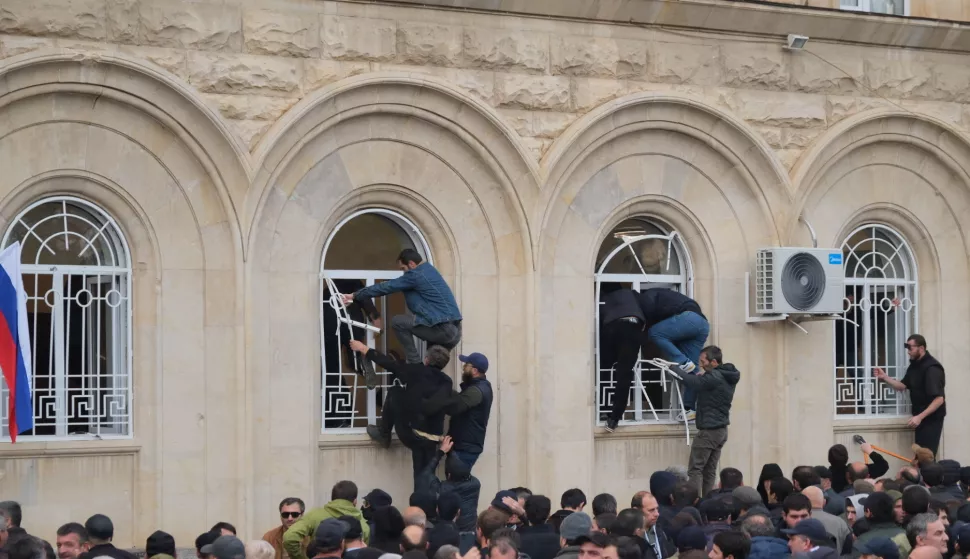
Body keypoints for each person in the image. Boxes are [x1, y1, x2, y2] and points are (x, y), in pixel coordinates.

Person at [351, 340, 454, 486]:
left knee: (395, 391)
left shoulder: (415, 371)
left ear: (426, 360)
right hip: (433, 438)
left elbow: (389, 364)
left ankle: (384, 433)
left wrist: (364, 348)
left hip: (413, 434)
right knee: (424, 476)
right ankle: (424, 505)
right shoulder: (447, 382)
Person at [347, 249, 462, 366]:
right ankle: (426, 375)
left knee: (398, 322)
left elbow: (387, 287)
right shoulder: (429, 271)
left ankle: (415, 364)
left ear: (411, 264)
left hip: (443, 329)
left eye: (403, 269)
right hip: (455, 331)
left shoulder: (416, 274)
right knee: (433, 366)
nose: (403, 273)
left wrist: (355, 295)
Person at [677, 346, 739, 497]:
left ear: (713, 362)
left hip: (709, 432)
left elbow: (692, 382)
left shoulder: (714, 377)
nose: (701, 364)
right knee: (709, 470)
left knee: (695, 469)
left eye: (703, 361)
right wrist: (704, 376)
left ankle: (694, 501)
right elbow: (704, 382)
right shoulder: (724, 375)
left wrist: (674, 369)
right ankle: (708, 501)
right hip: (720, 431)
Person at [873, 334, 946, 455]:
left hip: (931, 419)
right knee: (919, 455)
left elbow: (939, 399)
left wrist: (919, 417)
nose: (908, 351)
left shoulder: (932, 368)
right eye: (907, 348)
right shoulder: (915, 365)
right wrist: (884, 377)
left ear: (921, 348)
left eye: (910, 348)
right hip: (920, 419)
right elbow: (902, 386)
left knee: (926, 456)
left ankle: (929, 474)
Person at [284, 481, 370, 559]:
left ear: (332, 499)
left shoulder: (315, 515)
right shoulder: (363, 525)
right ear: (355, 501)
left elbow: (289, 537)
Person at [416, 436, 482, 533]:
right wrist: (450, 452)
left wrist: (441, 451)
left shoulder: (442, 489)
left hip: (449, 532)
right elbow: (462, 470)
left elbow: (425, 474)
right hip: (470, 533)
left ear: (449, 474)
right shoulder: (475, 484)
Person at [443, 352, 493, 469]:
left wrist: (442, 389)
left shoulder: (476, 390)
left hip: (465, 447)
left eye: (466, 365)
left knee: (456, 484)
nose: (463, 368)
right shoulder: (481, 386)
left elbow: (454, 408)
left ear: (474, 371)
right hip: (466, 445)